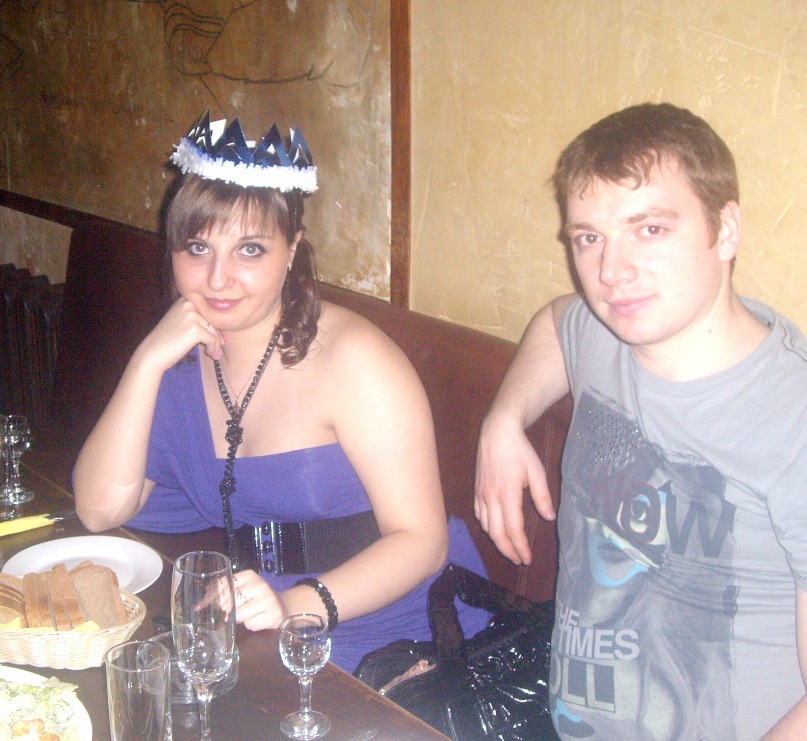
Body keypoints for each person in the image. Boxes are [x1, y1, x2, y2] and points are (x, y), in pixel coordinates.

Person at [73, 112, 489, 673]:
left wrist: (296, 606)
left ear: (291, 250)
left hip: (403, 628)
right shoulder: (179, 364)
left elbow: (422, 542)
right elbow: (99, 509)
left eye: (249, 250)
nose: (217, 278)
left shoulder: (355, 360)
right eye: (197, 248)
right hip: (264, 623)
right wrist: (146, 361)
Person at [474, 102, 807, 739]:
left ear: (725, 229)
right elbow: (557, 319)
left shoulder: (791, 417)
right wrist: (504, 421)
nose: (611, 272)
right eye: (589, 238)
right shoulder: (606, 335)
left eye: (649, 229)